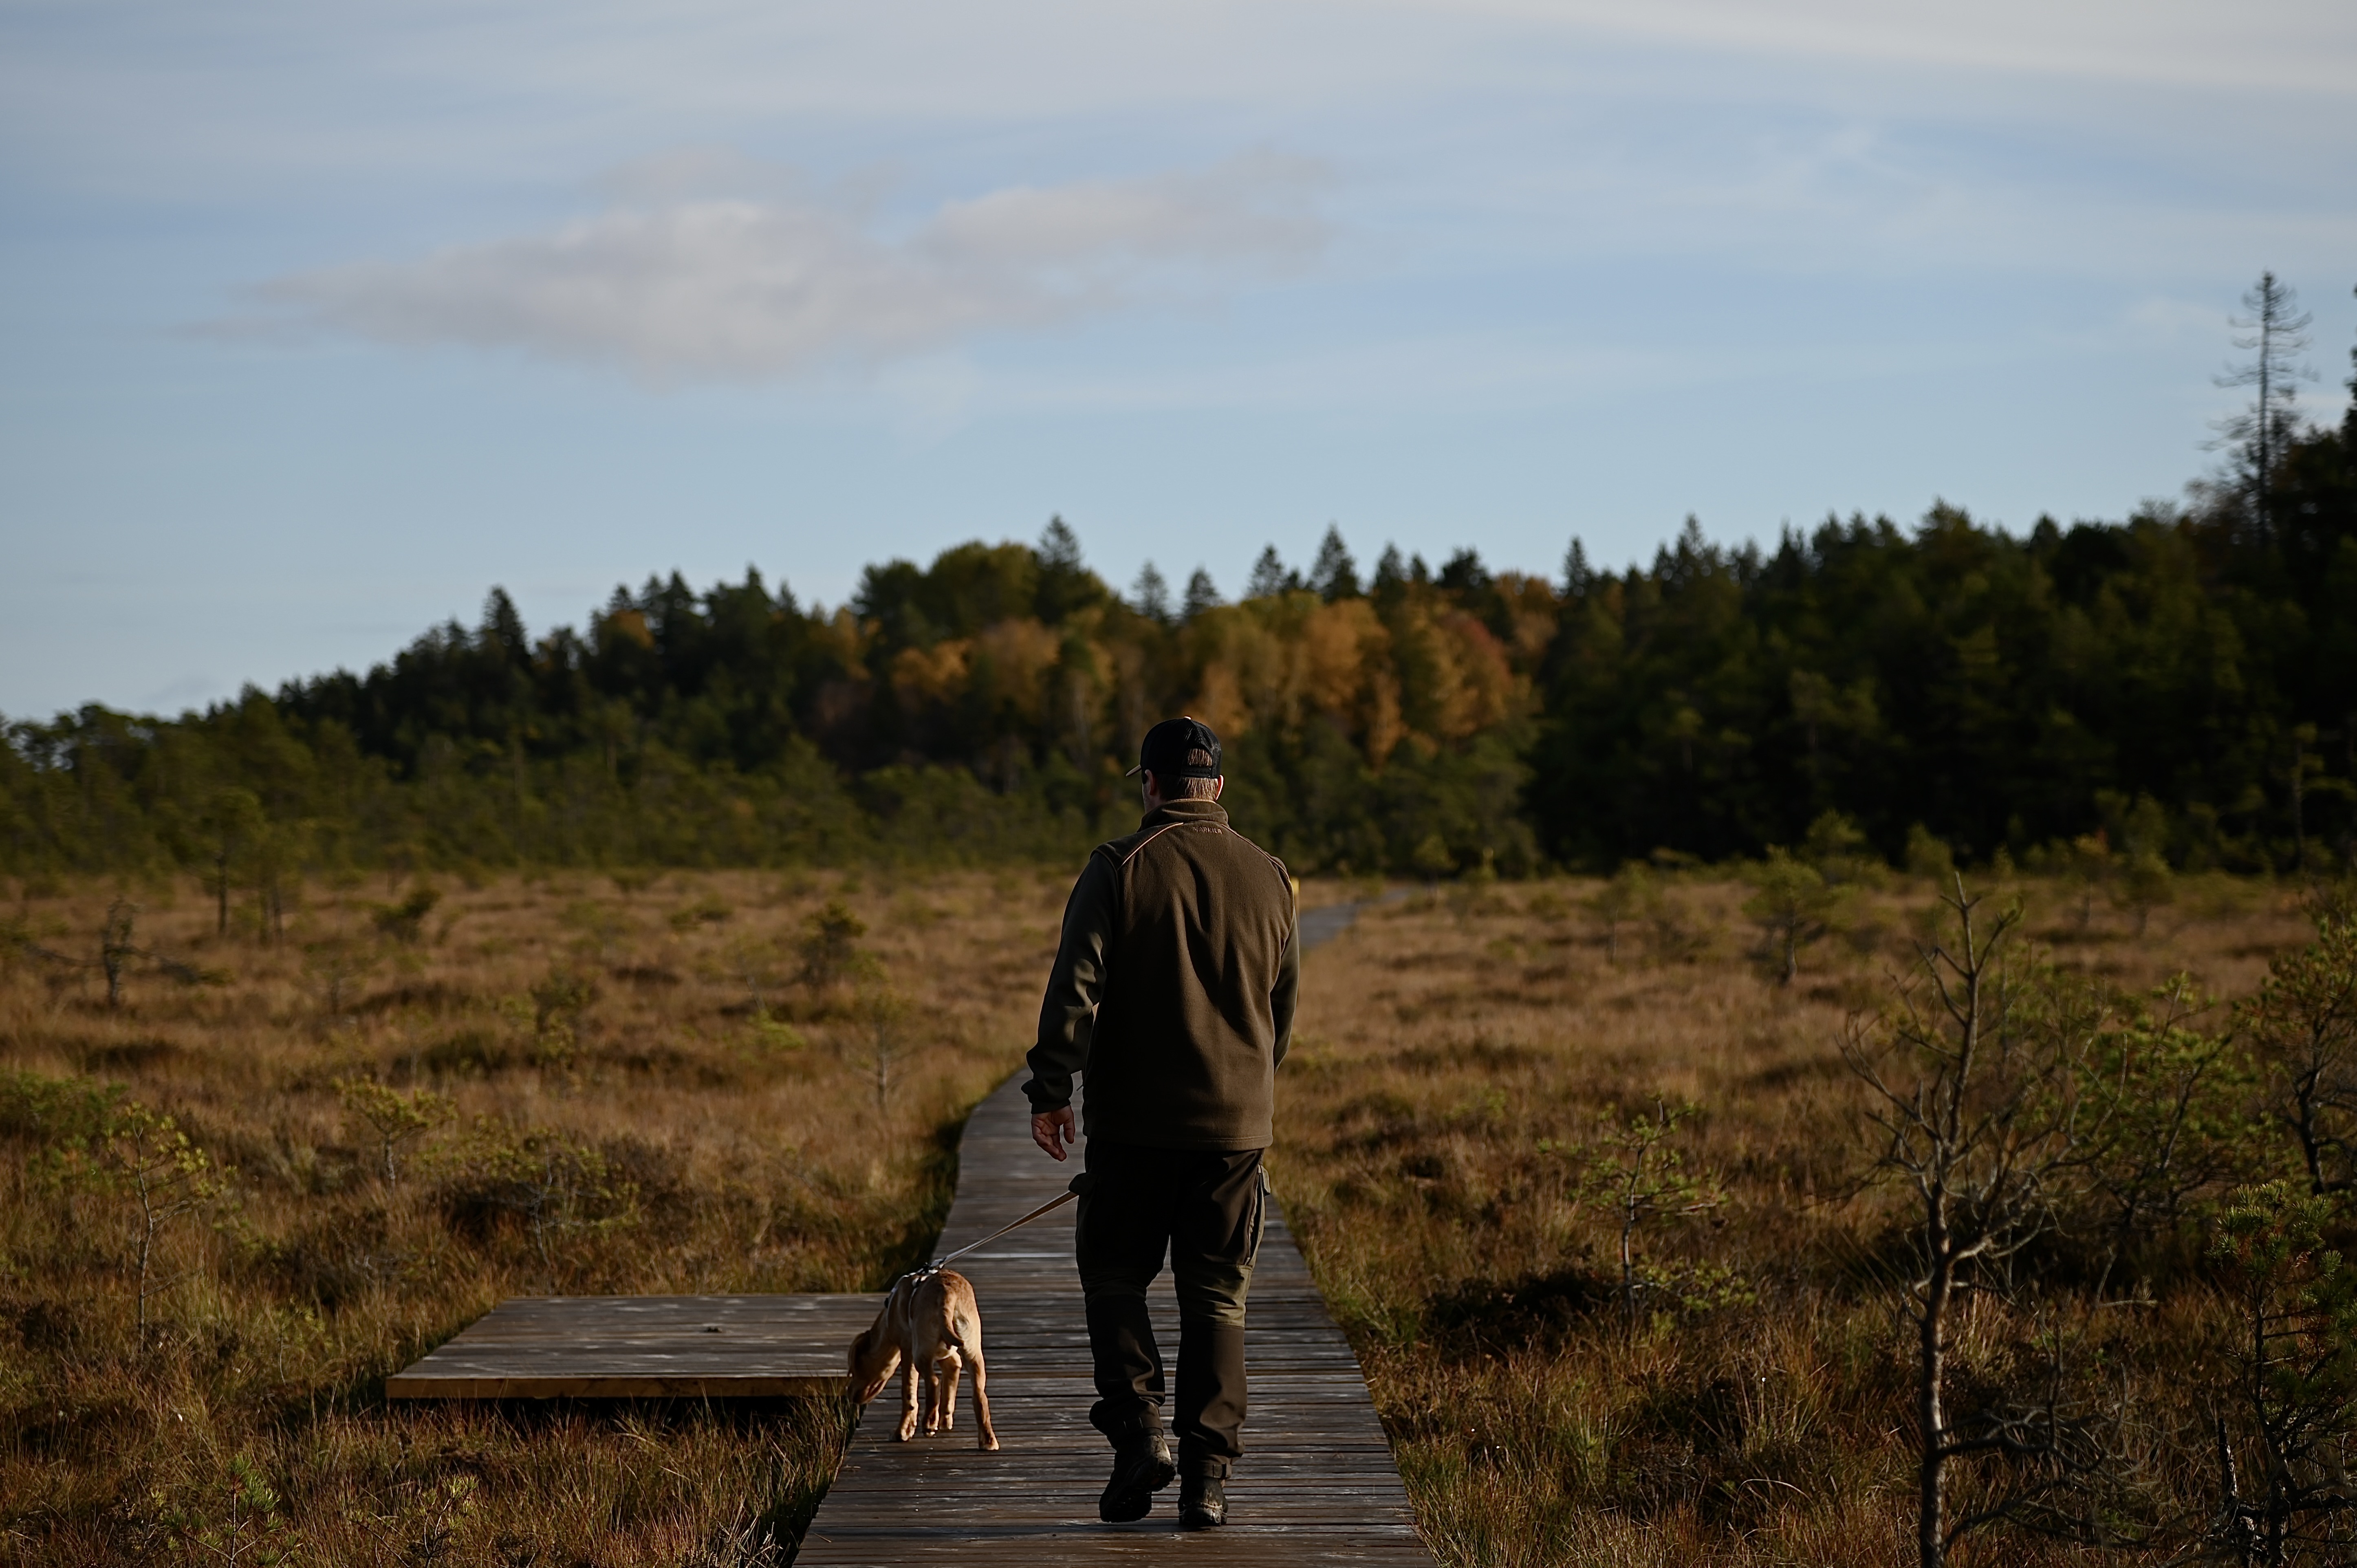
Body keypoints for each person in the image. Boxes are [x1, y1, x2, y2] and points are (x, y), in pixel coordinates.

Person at [1024, 715, 1300, 1530]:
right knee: (1218, 1293)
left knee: (1114, 1273)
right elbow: (1280, 1018)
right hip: (1237, 1131)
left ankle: (1141, 1428)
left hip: (1134, 1126)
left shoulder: (1119, 866)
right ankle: (1207, 1479)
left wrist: (1051, 1089)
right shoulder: (1272, 875)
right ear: (1218, 786)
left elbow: (1074, 987)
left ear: (1149, 785)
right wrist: (1247, 1084)